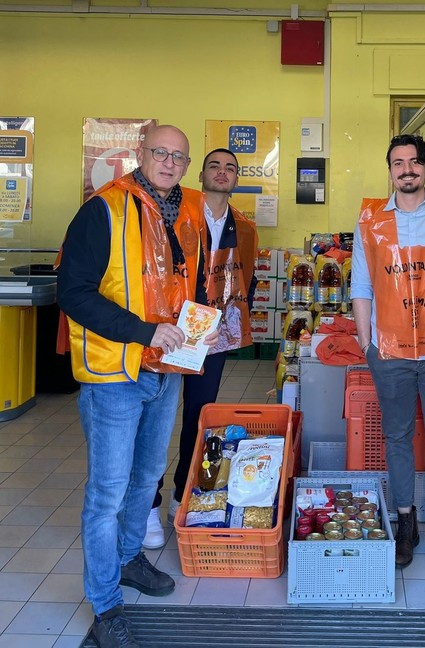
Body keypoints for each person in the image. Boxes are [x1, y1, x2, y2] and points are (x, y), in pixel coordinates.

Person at [57, 125, 215, 648]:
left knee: (146, 477)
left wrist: (199, 329)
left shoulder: (186, 215)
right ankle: (105, 605)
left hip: (165, 371)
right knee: (107, 492)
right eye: (160, 153)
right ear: (142, 155)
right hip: (115, 374)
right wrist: (144, 332)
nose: (169, 163)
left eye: (179, 157)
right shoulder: (102, 210)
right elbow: (74, 293)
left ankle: (128, 560)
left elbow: (185, 286)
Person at [351, 134, 425, 571]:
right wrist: (366, 343)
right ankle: (405, 522)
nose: (407, 170)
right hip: (390, 349)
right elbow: (361, 285)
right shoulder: (371, 221)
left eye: (415, 162)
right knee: (395, 438)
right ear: (390, 171)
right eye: (398, 163)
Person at [144, 148, 258, 548]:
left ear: (237, 178)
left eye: (231, 168)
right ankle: (147, 506)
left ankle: (183, 493)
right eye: (215, 166)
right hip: (171, 331)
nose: (222, 172)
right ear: (200, 173)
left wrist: (225, 323)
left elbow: (246, 280)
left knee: (199, 417)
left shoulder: (244, 226)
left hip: (213, 337)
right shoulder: (176, 212)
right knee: (156, 420)